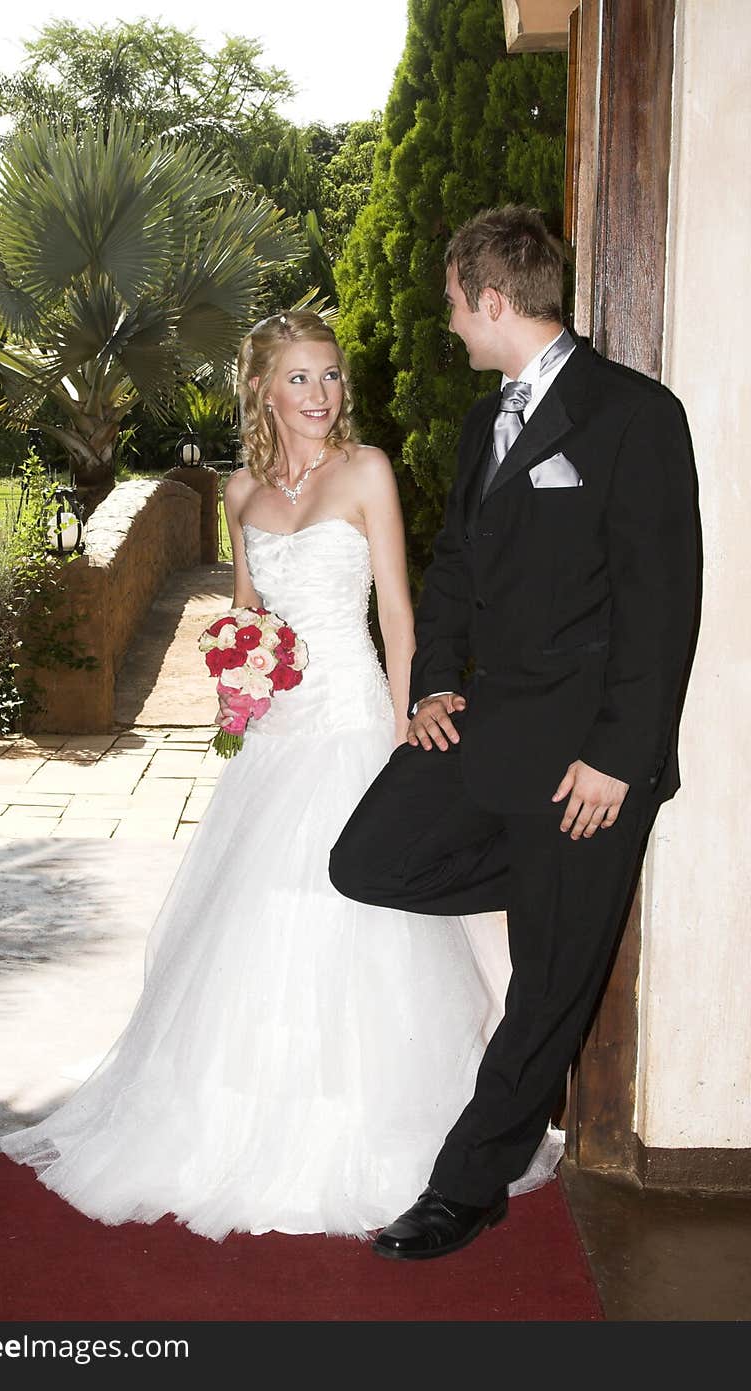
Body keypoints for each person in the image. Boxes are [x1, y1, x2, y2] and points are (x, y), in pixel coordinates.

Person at [0, 309, 560, 1240]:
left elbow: (401, 621)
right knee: (256, 921)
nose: (321, 395)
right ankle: (231, 1122)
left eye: (331, 376)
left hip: (354, 724)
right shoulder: (239, 494)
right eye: (300, 378)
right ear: (263, 388)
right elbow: (247, 621)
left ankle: (386, 1134)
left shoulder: (367, 471)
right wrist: (239, 693)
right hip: (277, 743)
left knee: (361, 909)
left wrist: (403, 741)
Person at [330, 206, 700, 1260]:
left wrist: (621, 759)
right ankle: (553, 888)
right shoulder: (477, 423)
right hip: (489, 729)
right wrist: (436, 682)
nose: (448, 325)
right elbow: (451, 571)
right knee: (367, 857)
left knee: (547, 988)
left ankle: (465, 1186)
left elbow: (661, 602)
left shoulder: (635, 415)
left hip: (590, 759)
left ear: (490, 300)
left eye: (453, 305)